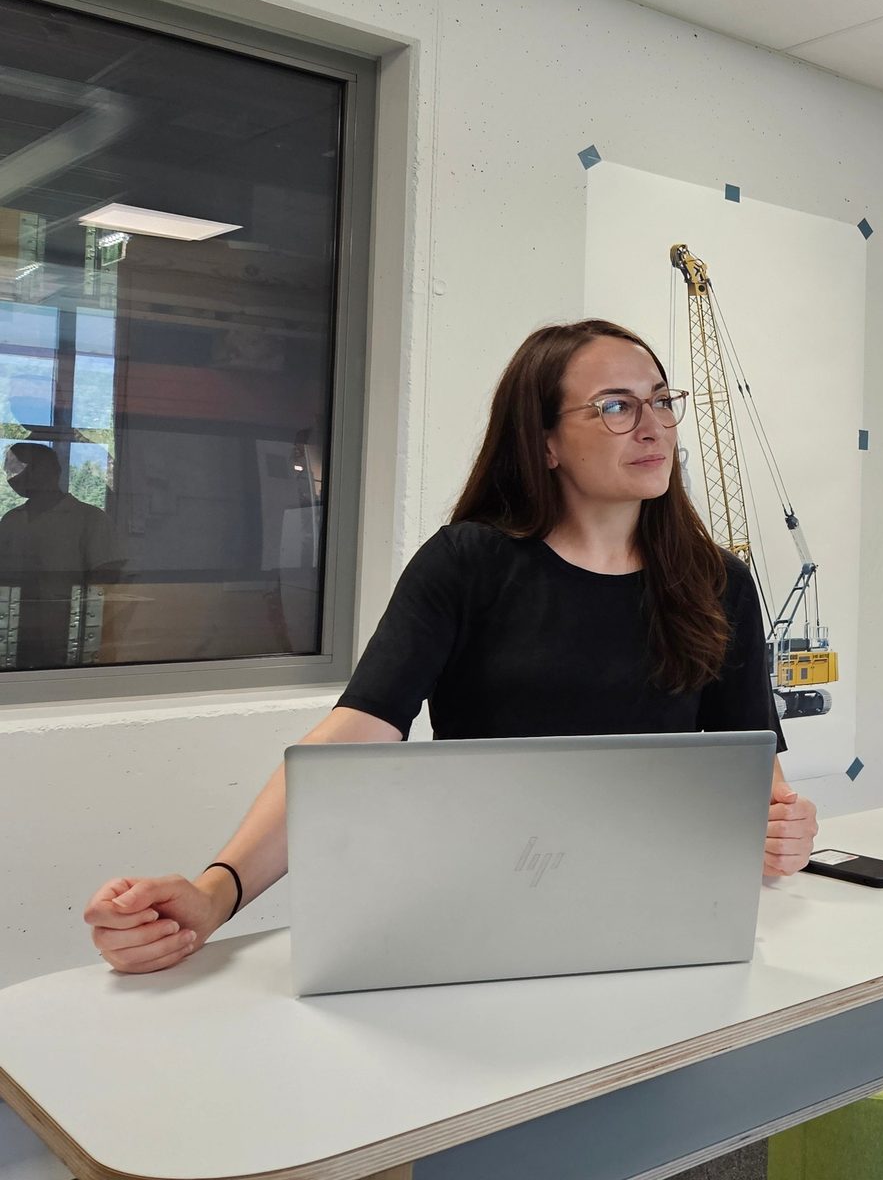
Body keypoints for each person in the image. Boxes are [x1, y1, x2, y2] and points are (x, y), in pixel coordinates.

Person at [81, 319, 820, 975]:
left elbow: (754, 778)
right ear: (546, 443)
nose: (655, 427)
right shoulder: (467, 563)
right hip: (483, 922)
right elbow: (351, 737)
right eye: (616, 407)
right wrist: (216, 893)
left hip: (663, 925)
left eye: (660, 400)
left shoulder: (712, 579)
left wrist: (784, 830)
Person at [0, 442, 123, 669]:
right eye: (9, 469)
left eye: (22, 467)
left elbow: (106, 580)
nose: (13, 476)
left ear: (52, 470)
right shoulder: (11, 520)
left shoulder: (90, 519)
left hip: (68, 636)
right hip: (13, 632)